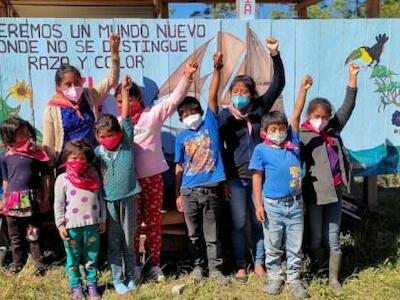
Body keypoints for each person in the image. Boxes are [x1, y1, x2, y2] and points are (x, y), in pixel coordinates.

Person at [114, 61, 198, 282]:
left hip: (153, 178)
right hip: (129, 182)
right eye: (120, 101)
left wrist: (187, 77)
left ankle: (154, 265)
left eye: (128, 99)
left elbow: (174, 99)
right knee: (131, 226)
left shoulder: (153, 114)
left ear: (138, 99)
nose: (124, 104)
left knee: (153, 223)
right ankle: (134, 265)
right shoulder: (119, 123)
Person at [219, 37, 285, 283]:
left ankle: (259, 262)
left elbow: (279, 84)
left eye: (243, 92)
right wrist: (224, 179)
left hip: (260, 176)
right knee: (238, 223)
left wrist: (275, 54)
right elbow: (222, 150)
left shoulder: (259, 108)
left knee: (260, 220)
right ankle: (239, 265)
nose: (239, 96)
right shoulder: (225, 117)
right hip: (235, 178)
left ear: (251, 94)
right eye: (235, 92)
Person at [250, 75, 313, 298]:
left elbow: (296, 114)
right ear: (265, 132)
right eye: (274, 129)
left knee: (295, 245)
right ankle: (275, 276)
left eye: (282, 128)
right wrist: (258, 204)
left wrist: (303, 90)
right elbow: (257, 178)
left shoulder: (293, 143)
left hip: (295, 204)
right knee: (273, 244)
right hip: (272, 206)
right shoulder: (261, 150)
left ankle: (294, 278)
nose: (279, 132)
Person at [300, 63, 359, 289]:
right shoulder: (303, 134)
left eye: (325, 116)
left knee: (332, 236)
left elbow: (348, 106)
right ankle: (318, 270)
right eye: (316, 116)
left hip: (335, 192)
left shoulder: (333, 130)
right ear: (309, 115)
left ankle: (333, 278)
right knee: (315, 235)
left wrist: (352, 77)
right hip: (314, 194)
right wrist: (303, 92)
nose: (321, 120)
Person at [175, 52, 228, 285]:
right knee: (193, 234)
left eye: (193, 111)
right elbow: (178, 166)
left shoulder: (210, 124)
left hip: (211, 190)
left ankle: (216, 270)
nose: (190, 116)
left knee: (212, 234)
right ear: (180, 119)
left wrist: (216, 68)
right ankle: (198, 268)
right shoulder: (181, 137)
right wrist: (177, 193)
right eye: (185, 114)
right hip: (188, 192)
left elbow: (213, 94)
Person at [95, 75, 140, 295]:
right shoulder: (97, 153)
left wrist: (124, 91)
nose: (107, 139)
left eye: (111, 134)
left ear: (120, 134)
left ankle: (132, 275)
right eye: (102, 136)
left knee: (129, 240)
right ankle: (117, 278)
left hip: (130, 198)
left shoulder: (126, 144)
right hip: (109, 202)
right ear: (97, 137)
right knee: (114, 243)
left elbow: (125, 116)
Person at [43, 34, 120, 160]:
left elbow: (112, 79)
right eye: (68, 84)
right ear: (58, 86)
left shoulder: (90, 95)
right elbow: (48, 144)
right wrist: (49, 169)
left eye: (77, 82)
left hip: (93, 159)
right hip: (69, 163)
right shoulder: (52, 110)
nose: (73, 87)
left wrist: (114, 53)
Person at [54, 140, 106, 300]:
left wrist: (102, 219)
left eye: (82, 158)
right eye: (73, 158)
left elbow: (100, 198)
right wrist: (60, 224)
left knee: (92, 257)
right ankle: (75, 286)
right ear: (66, 159)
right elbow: (59, 203)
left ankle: (91, 285)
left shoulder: (93, 176)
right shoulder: (62, 179)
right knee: (73, 258)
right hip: (71, 228)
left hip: (92, 226)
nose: (78, 162)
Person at [0, 117, 51, 276]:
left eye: (25, 131)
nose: (24, 135)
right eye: (19, 133)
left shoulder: (37, 153)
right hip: (12, 200)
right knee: (14, 235)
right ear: (9, 135)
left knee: (33, 233)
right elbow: (6, 179)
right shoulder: (5, 156)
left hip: (31, 198)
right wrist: (4, 199)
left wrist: (46, 197)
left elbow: (46, 177)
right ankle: (17, 263)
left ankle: (39, 264)